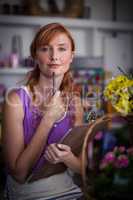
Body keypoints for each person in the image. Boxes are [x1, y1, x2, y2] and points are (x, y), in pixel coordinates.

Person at [2, 23, 84, 200]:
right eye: (45, 49)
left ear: (71, 56)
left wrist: (68, 158)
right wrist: (48, 120)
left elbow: (82, 167)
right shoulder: (15, 101)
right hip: (28, 193)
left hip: (69, 190)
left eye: (62, 49)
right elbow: (19, 174)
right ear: (35, 56)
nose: (54, 56)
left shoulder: (75, 102)